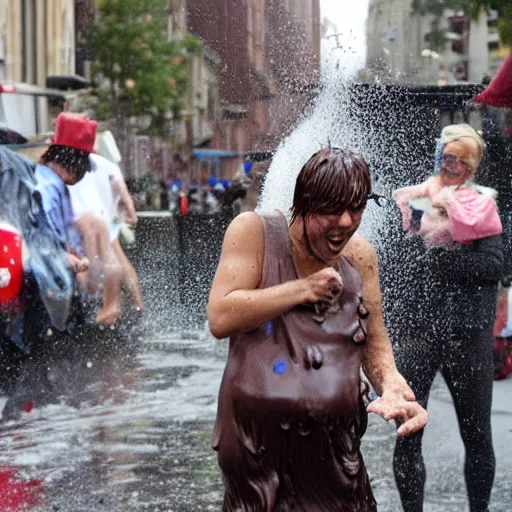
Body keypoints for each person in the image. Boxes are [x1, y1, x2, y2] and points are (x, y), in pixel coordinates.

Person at [207, 147, 428, 511]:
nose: (344, 222)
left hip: (334, 452)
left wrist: (392, 385)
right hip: (258, 456)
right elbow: (221, 315)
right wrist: (301, 289)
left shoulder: (360, 257)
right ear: (303, 203)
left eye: (355, 208)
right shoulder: (254, 232)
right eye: (330, 210)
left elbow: (374, 341)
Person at [391, 125, 503, 512]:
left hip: (467, 337)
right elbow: (398, 263)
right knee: (408, 433)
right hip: (419, 334)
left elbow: (493, 265)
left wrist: (443, 258)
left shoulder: (482, 205)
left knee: (477, 436)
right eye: (447, 158)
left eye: (461, 160)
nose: (453, 166)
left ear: (472, 167)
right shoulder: (418, 199)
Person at [393, 124, 502, 248]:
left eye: (465, 163)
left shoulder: (480, 202)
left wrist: (448, 204)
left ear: (473, 169)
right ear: (440, 158)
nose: (456, 166)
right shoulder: (423, 190)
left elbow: (491, 262)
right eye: (450, 158)